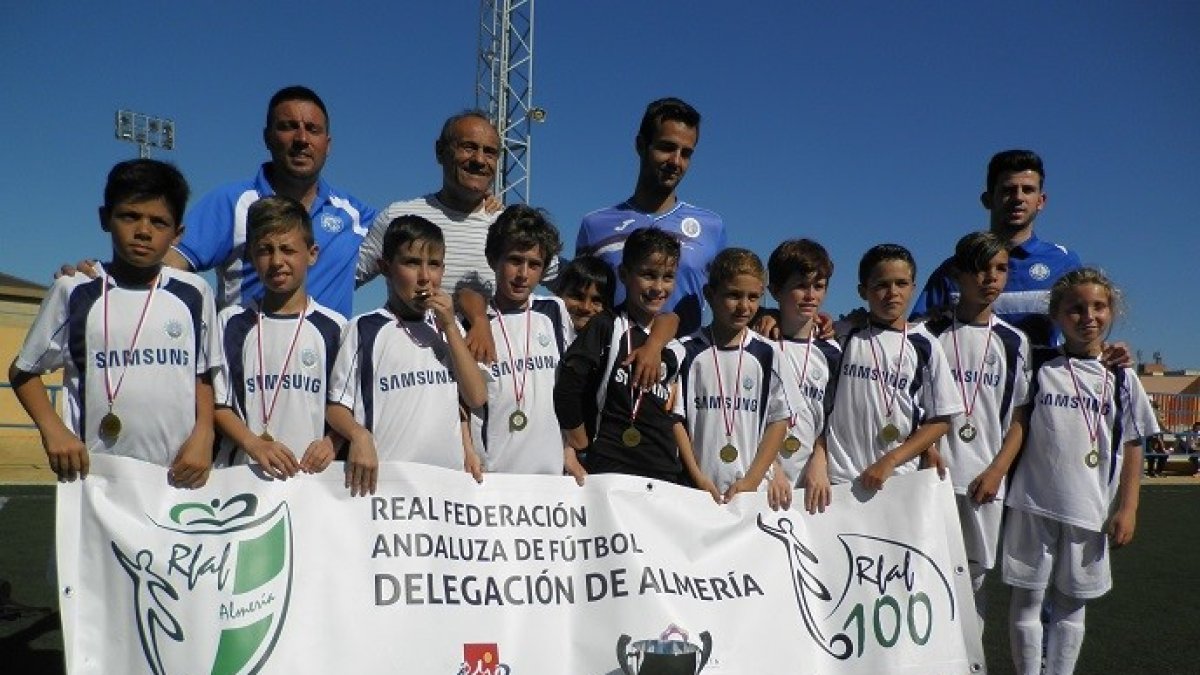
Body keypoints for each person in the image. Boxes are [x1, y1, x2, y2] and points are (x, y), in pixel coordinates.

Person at [9, 159, 220, 487]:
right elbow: (24, 371)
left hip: (177, 475)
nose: (143, 231)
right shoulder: (74, 290)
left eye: (159, 222)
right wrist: (54, 431)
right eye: (130, 216)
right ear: (105, 218)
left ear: (177, 233)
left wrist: (204, 433)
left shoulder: (195, 293)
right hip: (95, 478)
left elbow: (203, 373)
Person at [1002, 268, 1158, 675]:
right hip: (1032, 503)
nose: (1088, 316)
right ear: (1056, 315)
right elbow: (1017, 424)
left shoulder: (1122, 376)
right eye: (1075, 308)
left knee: (1072, 605)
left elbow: (1134, 444)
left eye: (1098, 307)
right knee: (1027, 603)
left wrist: (1128, 508)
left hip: (1089, 510)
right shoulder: (1038, 366)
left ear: (1112, 312)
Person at [169, 86, 376, 319]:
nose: (301, 139)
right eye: (288, 127)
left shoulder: (356, 216)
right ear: (267, 137)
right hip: (245, 351)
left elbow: (416, 235)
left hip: (328, 354)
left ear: (327, 145)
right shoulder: (231, 202)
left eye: (312, 129)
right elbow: (167, 268)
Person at [327, 215, 488, 496]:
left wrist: (450, 327)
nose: (425, 276)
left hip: (445, 486)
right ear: (385, 268)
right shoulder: (364, 328)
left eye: (434, 265)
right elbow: (337, 407)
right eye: (412, 263)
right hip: (387, 487)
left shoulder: (449, 328)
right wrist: (358, 435)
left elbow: (476, 397)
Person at [922, 231, 1033, 633]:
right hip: (931, 478)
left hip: (983, 479)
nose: (991, 277)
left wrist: (997, 471)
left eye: (1000, 268)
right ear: (956, 274)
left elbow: (1019, 419)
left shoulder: (1014, 342)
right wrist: (926, 450)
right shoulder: (928, 335)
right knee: (923, 574)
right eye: (980, 268)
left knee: (974, 581)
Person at [805, 245, 961, 511]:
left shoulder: (925, 344)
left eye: (901, 283)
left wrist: (891, 460)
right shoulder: (842, 334)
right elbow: (794, 327)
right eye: (881, 285)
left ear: (913, 287)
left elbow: (941, 420)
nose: (893, 293)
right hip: (839, 479)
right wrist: (768, 317)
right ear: (862, 291)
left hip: (897, 478)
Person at [212, 196, 345, 478]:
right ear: (251, 256)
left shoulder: (335, 328)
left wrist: (332, 442)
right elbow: (218, 405)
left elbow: (347, 407)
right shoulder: (230, 322)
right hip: (242, 475)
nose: (276, 261)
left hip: (310, 481)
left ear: (312, 253)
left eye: (287, 250)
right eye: (265, 250)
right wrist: (254, 444)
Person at [575, 97, 726, 338]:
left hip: (684, 368)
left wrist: (768, 316)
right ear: (640, 145)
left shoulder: (712, 227)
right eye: (666, 147)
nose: (676, 161)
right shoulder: (594, 225)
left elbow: (731, 296)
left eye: (686, 153)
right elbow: (577, 297)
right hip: (614, 365)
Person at [554, 228, 688, 482]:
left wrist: (654, 346)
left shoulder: (675, 346)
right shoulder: (606, 325)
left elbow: (672, 412)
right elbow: (568, 387)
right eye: (648, 275)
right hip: (609, 465)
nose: (658, 287)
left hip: (663, 471)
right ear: (624, 274)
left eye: (668, 277)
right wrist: (582, 444)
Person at [912, 150, 1081, 348]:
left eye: (1027, 190)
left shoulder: (1064, 263)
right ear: (988, 199)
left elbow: (1086, 329)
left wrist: (1109, 351)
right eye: (1008, 190)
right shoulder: (956, 268)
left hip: (1038, 378)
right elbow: (916, 335)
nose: (1018, 197)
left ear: (1041, 201)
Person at [469, 204, 581, 480]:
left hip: (550, 474)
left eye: (534, 265)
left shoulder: (554, 311)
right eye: (515, 260)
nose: (523, 274)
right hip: (492, 475)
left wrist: (569, 448)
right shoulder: (473, 322)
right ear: (493, 258)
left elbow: (567, 387)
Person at [677, 249, 790, 507]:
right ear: (709, 294)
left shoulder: (768, 353)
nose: (744, 306)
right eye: (733, 295)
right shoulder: (685, 351)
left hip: (750, 493)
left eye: (753, 297)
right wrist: (697, 478)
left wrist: (752, 480)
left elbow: (778, 421)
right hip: (696, 491)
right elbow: (676, 422)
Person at [765, 239, 842, 492]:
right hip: (762, 475)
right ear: (776, 290)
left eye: (818, 286)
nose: (811, 295)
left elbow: (833, 418)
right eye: (800, 286)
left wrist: (819, 461)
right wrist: (769, 467)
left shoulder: (832, 352)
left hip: (811, 480)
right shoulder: (759, 345)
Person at [554, 255, 615, 335]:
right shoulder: (536, 330)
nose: (585, 308)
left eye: (596, 301)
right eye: (577, 297)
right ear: (559, 294)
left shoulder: (617, 344)